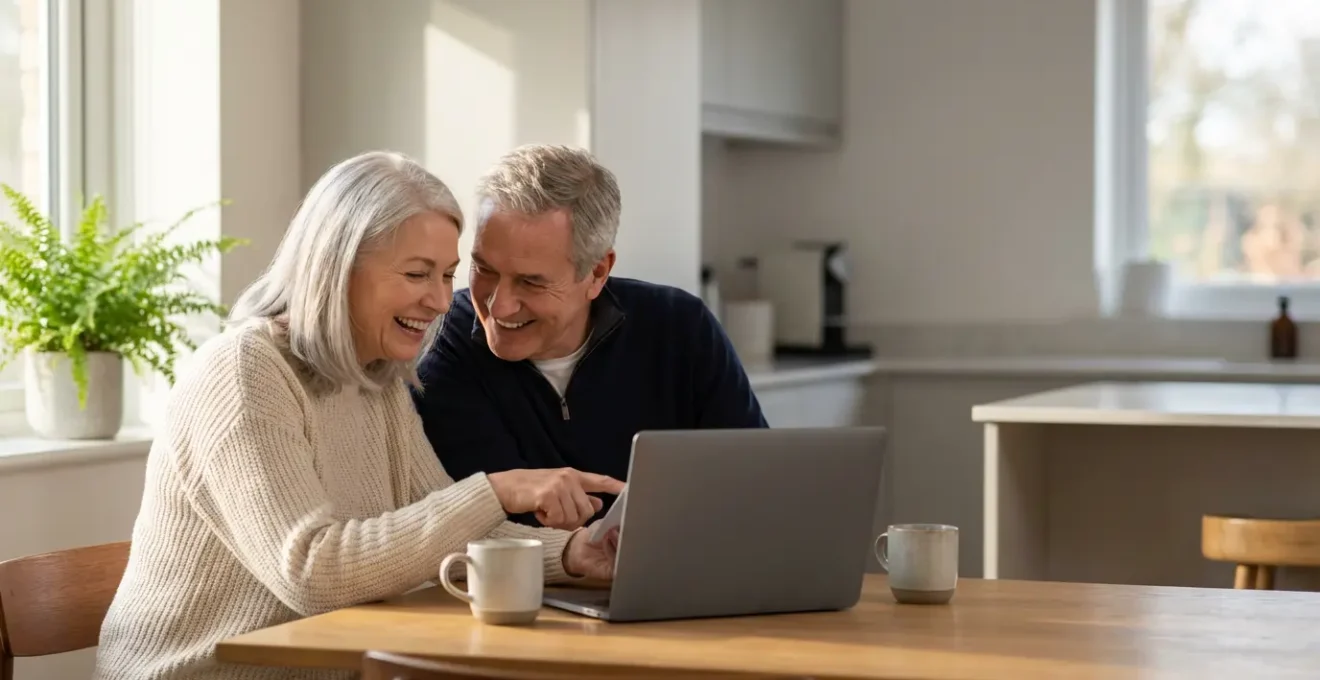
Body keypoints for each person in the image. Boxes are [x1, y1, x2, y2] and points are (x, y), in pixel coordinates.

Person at [94, 151, 623, 680]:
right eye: (418, 273)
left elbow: (443, 531)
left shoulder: (375, 377)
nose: (443, 301)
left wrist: (577, 553)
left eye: (448, 275)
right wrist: (496, 490)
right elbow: (311, 572)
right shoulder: (244, 373)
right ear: (336, 266)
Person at [414, 144, 766, 526]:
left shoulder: (680, 327)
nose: (498, 307)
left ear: (598, 273)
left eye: (531, 282)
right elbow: (487, 527)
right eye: (484, 269)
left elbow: (755, 482)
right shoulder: (441, 340)